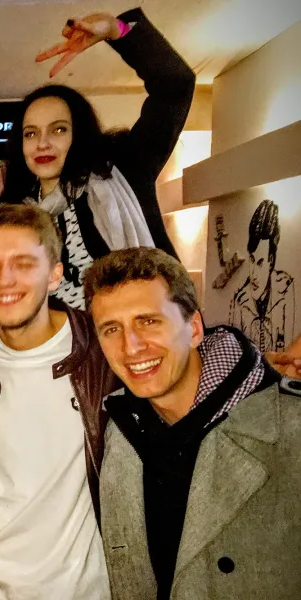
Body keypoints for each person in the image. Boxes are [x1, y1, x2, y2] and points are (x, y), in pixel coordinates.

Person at [0, 8, 195, 312]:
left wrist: (118, 31)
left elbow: (175, 87)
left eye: (58, 130)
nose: (42, 143)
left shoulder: (121, 171)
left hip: (132, 340)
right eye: (30, 133)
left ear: (78, 134)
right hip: (47, 354)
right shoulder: (13, 208)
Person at [84, 247, 301, 600]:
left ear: (195, 328)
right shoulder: (119, 430)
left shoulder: (290, 429)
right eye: (111, 329)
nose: (131, 346)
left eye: (149, 321)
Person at [0, 204, 115, 599]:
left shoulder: (102, 349)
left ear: (55, 274)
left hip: (85, 590)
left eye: (23, 262)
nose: (5, 279)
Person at [229, 199, 295, 353]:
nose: (253, 273)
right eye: (251, 260)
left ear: (271, 262)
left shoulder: (286, 289)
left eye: (260, 263)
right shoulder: (240, 301)